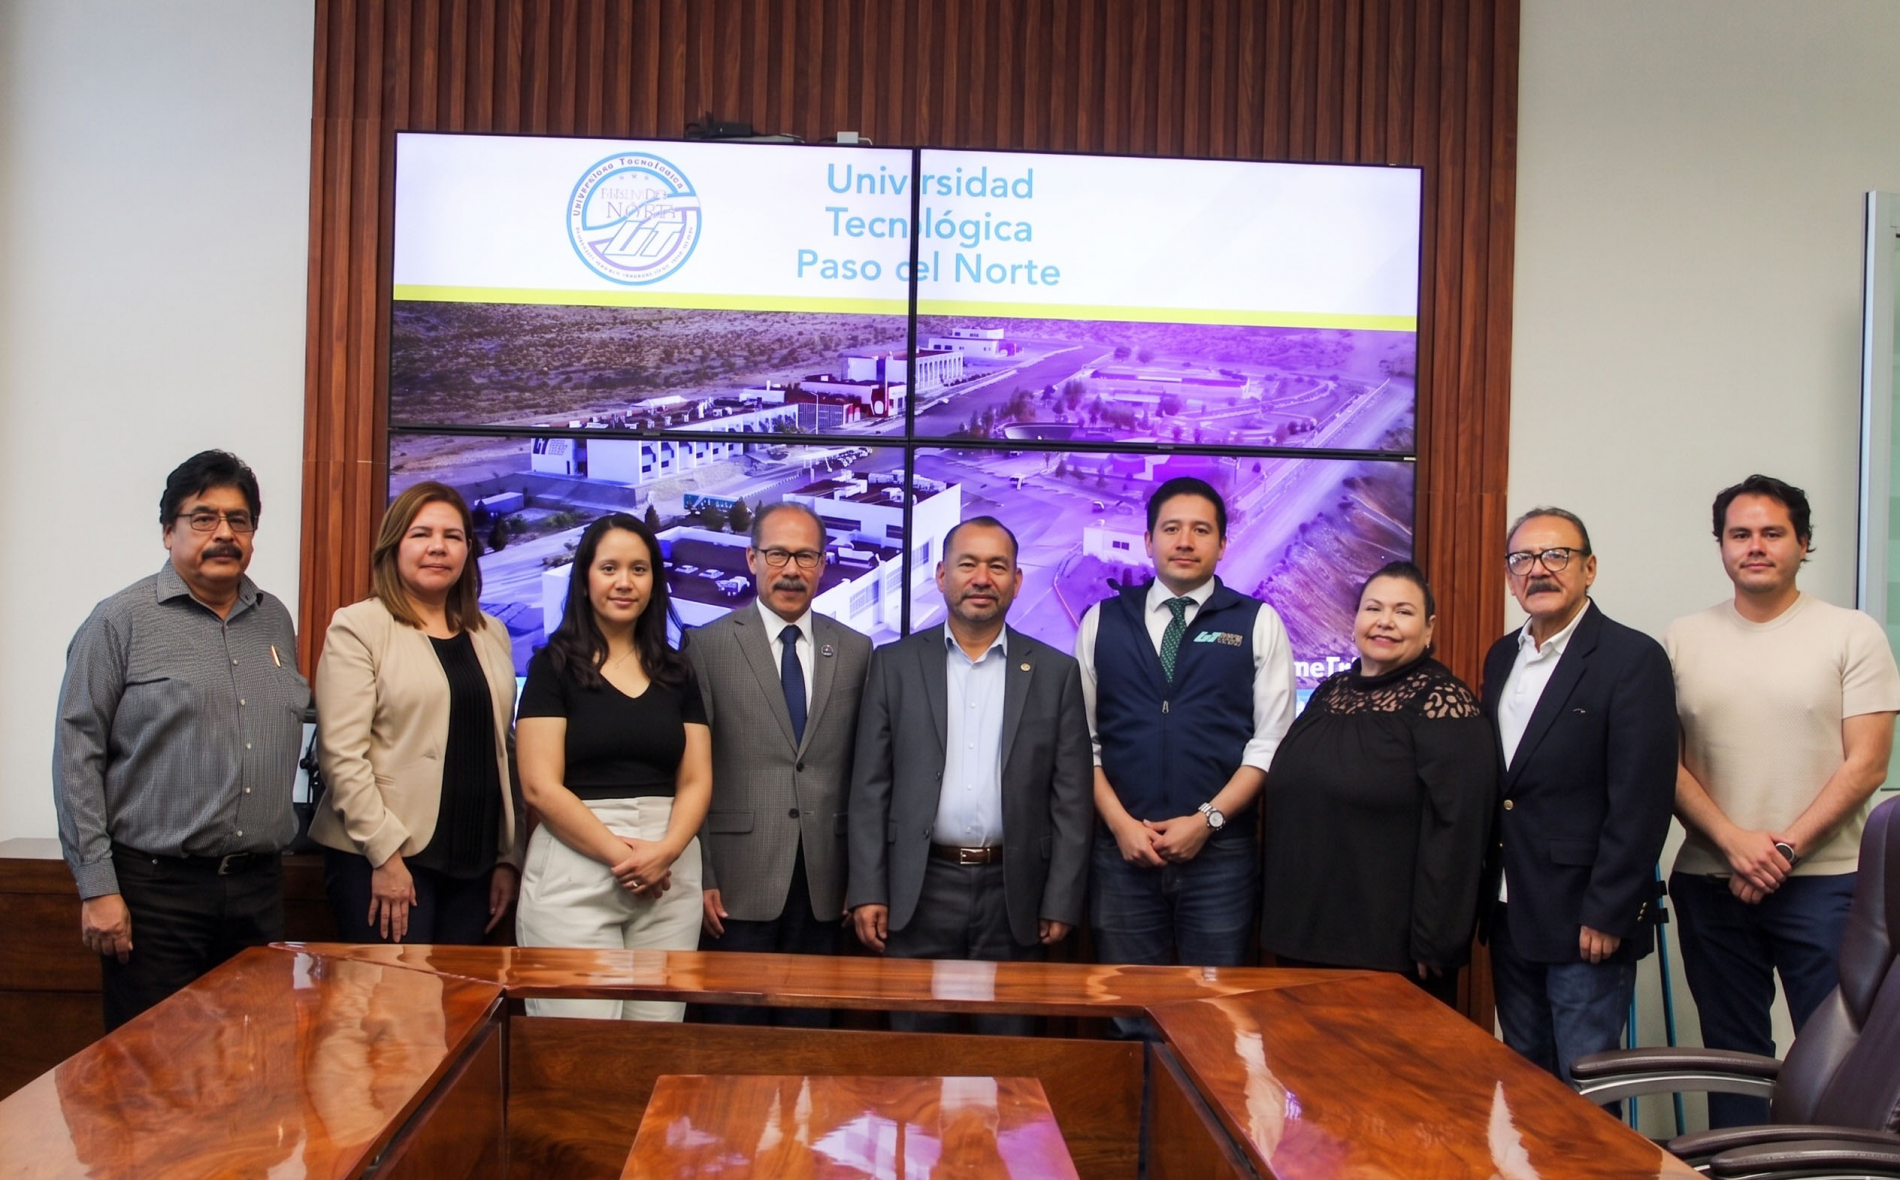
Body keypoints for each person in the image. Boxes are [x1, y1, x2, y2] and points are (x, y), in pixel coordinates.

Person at [1666, 475, 1900, 1127]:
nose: (1756, 546)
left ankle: (1825, 1172)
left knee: (1841, 1064)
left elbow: (1867, 764)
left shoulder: (1852, 633)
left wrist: (1783, 850)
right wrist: (1735, 845)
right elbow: (1666, 765)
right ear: (1721, 546)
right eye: (1740, 534)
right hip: (1712, 882)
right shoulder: (1683, 638)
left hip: (1827, 885)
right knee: (1730, 1058)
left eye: (1773, 533)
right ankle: (1739, 1167)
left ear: (1803, 543)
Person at [53, 450, 310, 1030]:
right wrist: (97, 888)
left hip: (257, 891)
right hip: (155, 895)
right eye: (203, 518)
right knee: (154, 1066)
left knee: (253, 1061)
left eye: (239, 520)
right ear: (169, 531)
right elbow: (76, 754)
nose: (224, 533)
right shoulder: (119, 621)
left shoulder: (274, 620)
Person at [847, 516, 1094, 1034]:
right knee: (916, 1056)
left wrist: (1061, 897)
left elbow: (1071, 799)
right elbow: (870, 788)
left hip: (1016, 894)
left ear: (1017, 581)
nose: (982, 578)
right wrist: (868, 889)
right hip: (919, 890)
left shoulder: (1055, 673)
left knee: (1008, 1060)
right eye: (968, 564)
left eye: (997, 566)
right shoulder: (894, 665)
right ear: (942, 576)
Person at [1479, 507, 1675, 1110]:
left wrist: (1610, 911)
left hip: (1586, 919)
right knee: (1525, 1084)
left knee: (1585, 1096)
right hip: (1511, 909)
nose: (1538, 569)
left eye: (1556, 555)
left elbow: (1642, 797)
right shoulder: (1502, 656)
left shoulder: (1631, 658)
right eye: (1522, 559)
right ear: (1510, 577)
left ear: (1589, 569)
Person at [1076, 477, 1297, 990]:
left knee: (1215, 1009)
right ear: (1148, 540)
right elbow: (1081, 742)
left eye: (1201, 530)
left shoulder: (1258, 622)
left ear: (1222, 544)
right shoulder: (1102, 621)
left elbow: (1270, 744)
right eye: (1171, 528)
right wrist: (1121, 826)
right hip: (1123, 855)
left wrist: (1207, 821)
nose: (1185, 541)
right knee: (1128, 1007)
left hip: (1221, 858)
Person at [1260, 561, 1495, 1006]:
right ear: (1356, 621)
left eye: (1403, 612)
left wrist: (1436, 937)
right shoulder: (1330, 692)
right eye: (1373, 608)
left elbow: (1461, 829)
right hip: (1302, 937)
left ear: (1428, 629)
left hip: (1391, 951)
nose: (1385, 621)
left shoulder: (1445, 704)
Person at [514, 515, 711, 1021]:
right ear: (585, 579)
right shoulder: (551, 667)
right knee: (581, 1049)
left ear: (654, 582)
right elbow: (538, 787)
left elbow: (696, 780)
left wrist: (665, 852)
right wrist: (624, 857)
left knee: (654, 1045)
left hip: (669, 874)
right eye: (609, 568)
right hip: (577, 867)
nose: (625, 582)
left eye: (639, 569)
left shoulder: (678, 671)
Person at [308, 481, 523, 946]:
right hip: (385, 859)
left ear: (468, 549)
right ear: (394, 546)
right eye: (421, 534)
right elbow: (341, 755)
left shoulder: (491, 632)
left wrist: (509, 856)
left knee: (463, 994)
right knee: (393, 993)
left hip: (477, 864)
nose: (438, 547)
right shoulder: (359, 627)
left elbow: (503, 748)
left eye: (452, 536)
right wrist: (384, 855)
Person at [684, 501, 872, 1026]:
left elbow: (867, 775)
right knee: (734, 1045)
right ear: (751, 559)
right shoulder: (706, 646)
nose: (791, 569)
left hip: (827, 888)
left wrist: (863, 880)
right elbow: (690, 772)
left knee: (809, 1043)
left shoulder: (856, 650)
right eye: (777, 555)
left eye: (806, 556)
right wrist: (701, 874)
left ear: (823, 564)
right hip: (735, 887)